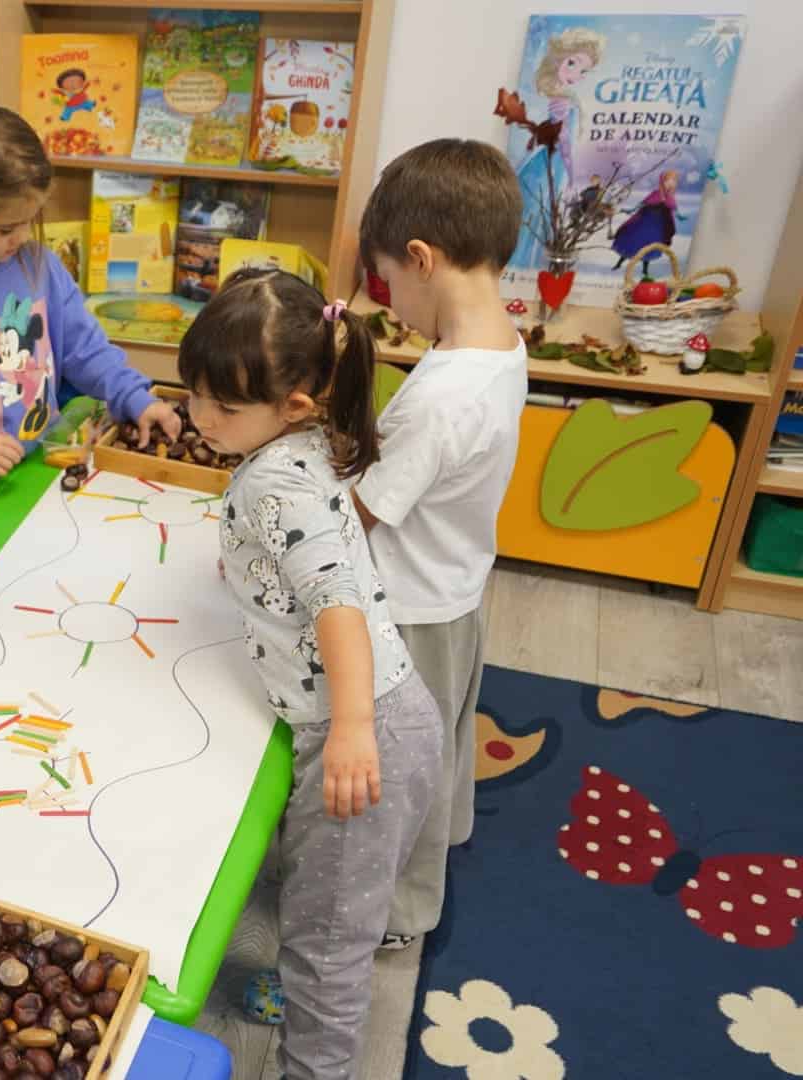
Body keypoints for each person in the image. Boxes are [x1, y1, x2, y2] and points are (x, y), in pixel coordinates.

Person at [179, 268, 443, 1079]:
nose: (200, 418)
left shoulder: (275, 482)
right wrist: (254, 570)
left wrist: (352, 730)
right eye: (194, 395)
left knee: (326, 952)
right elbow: (307, 558)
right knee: (318, 908)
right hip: (373, 719)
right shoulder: (298, 445)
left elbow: (338, 605)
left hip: (361, 738)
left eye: (223, 407)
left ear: (294, 404)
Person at [352, 138, 528, 948]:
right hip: (455, 586)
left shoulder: (442, 398)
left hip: (410, 609)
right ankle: (443, 839)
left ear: (422, 258)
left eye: (389, 280)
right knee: (442, 739)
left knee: (395, 771)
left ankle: (397, 915)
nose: (390, 304)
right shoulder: (499, 345)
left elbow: (361, 514)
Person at [0, 106, 178, 538]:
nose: (21, 238)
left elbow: (85, 348)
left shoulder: (40, 266)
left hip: (42, 466)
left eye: (29, 222)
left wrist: (133, 396)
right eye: (6, 228)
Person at [508, 26, 604, 269]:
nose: (576, 74)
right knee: (538, 214)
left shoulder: (562, 97)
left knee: (540, 215)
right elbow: (564, 141)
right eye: (572, 63)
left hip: (550, 162)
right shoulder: (560, 101)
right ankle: (523, 264)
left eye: (583, 71)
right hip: (552, 164)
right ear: (557, 59)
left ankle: (526, 264)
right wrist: (571, 174)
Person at [611, 169, 686, 274]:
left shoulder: (670, 197)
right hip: (644, 222)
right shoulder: (656, 193)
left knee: (650, 245)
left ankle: (645, 269)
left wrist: (679, 216)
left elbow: (673, 208)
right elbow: (643, 203)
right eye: (668, 180)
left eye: (673, 181)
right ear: (662, 181)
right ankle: (619, 263)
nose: (670, 183)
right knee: (634, 241)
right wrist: (632, 209)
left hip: (658, 227)